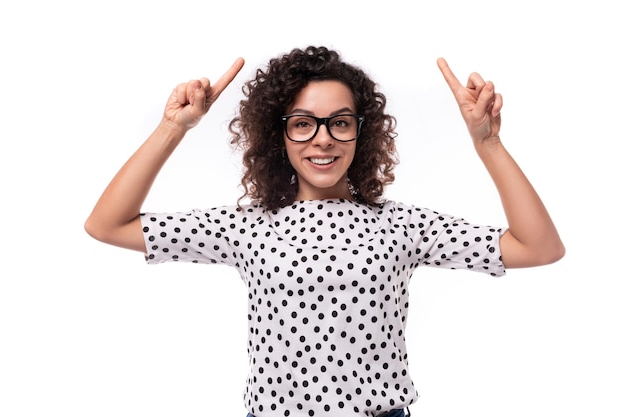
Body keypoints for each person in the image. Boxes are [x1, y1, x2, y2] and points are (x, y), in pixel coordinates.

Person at [85, 46, 565, 417]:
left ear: (362, 130)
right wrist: (173, 127)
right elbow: (107, 224)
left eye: (339, 122)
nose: (322, 138)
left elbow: (539, 247)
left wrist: (489, 143)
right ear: (279, 136)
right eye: (303, 124)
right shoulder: (245, 225)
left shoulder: (402, 224)